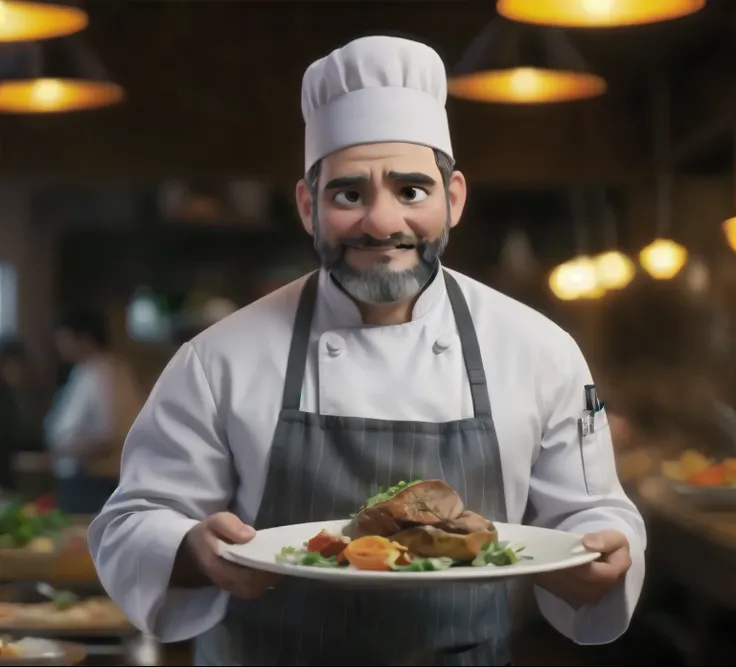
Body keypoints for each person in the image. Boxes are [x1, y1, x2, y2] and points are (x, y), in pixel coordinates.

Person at [89, 36, 646, 666]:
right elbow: (133, 518)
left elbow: (592, 510)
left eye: (411, 191)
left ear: (453, 198)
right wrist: (191, 548)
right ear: (308, 206)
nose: (381, 223)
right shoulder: (218, 358)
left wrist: (602, 551)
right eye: (349, 194)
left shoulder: (540, 350)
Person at [45, 307, 144, 515]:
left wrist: (70, 451)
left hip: (93, 479)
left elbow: (110, 432)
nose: (59, 345)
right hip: (78, 475)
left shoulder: (104, 372)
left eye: (64, 338)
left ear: (84, 337)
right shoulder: (85, 370)